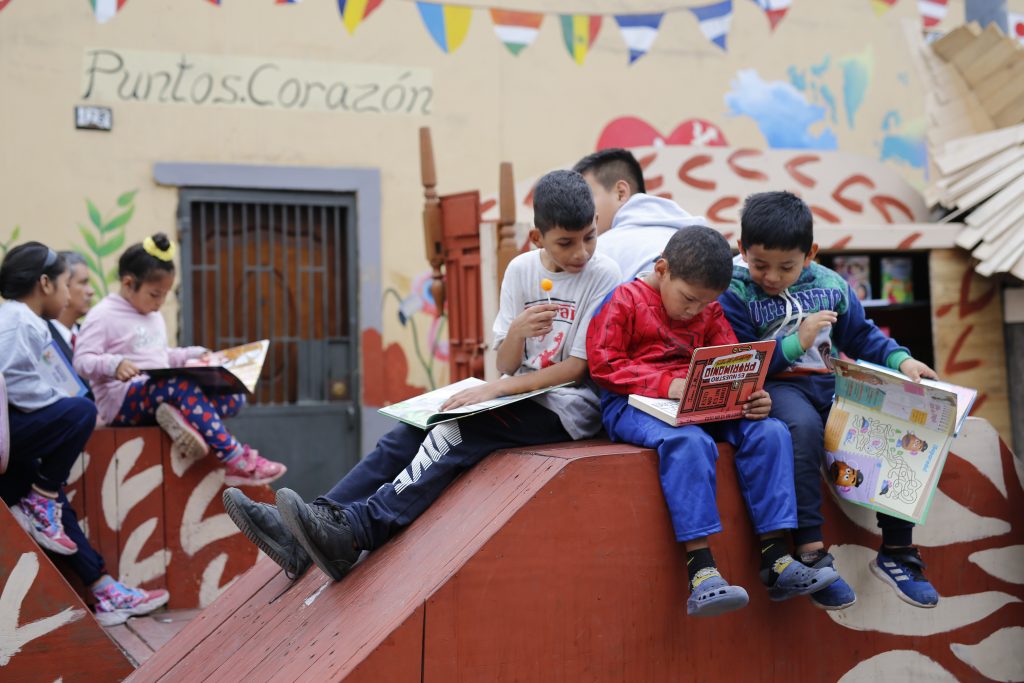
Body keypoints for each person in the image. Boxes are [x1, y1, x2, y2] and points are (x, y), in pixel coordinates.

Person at [223, 169, 622, 582]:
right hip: (513, 393)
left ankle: (358, 530)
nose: (581, 253)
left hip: (567, 408)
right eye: (566, 243)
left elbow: (576, 369)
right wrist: (517, 334)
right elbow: (505, 362)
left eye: (589, 237)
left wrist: (494, 390)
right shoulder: (520, 271)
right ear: (537, 239)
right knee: (410, 431)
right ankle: (305, 531)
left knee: (452, 434)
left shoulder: (604, 275)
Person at [587, 226, 837, 617]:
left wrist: (751, 394)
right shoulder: (625, 300)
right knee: (690, 442)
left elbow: (730, 358)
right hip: (634, 405)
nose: (693, 311)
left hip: (700, 400)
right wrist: (667, 384)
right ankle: (701, 571)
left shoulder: (710, 310)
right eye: (688, 299)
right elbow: (604, 366)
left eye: (704, 304)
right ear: (662, 268)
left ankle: (775, 559)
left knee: (770, 430)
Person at [718, 191, 940, 610]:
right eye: (760, 264)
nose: (771, 276)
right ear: (743, 249)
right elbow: (740, 362)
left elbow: (861, 335)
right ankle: (810, 553)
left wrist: (904, 363)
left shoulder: (830, 284)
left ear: (810, 254)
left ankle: (897, 551)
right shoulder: (733, 290)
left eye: (786, 267)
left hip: (832, 380)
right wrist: (792, 344)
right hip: (777, 387)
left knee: (894, 414)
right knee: (801, 430)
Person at [0, 242, 168, 625]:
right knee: (80, 412)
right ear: (45, 283)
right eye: (65, 283)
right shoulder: (17, 321)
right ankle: (44, 502)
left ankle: (104, 588)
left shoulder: (21, 321)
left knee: (52, 502)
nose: (72, 292)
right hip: (7, 437)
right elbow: (10, 379)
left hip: (14, 442)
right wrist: (57, 403)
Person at [74, 233, 286, 486]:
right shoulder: (103, 315)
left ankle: (182, 418)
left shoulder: (153, 316)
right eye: (155, 294)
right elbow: (82, 360)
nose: (160, 302)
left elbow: (162, 356)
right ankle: (235, 460)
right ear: (129, 283)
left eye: (165, 295)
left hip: (156, 391)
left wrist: (194, 355)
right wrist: (114, 364)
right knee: (179, 387)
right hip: (121, 402)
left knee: (232, 396)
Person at [573, 148, 706, 281]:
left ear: (621, 193)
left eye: (585, 197)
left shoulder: (599, 252)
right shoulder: (701, 244)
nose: (578, 209)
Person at [47, 251, 94, 399]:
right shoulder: (42, 336)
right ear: (63, 284)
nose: (91, 291)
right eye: (83, 283)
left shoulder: (90, 335)